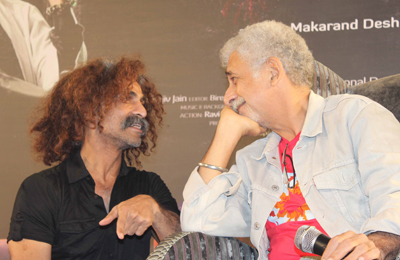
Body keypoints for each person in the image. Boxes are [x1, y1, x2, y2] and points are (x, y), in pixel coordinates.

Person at [181, 20, 400, 260]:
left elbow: (394, 196)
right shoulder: (254, 158)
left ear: (272, 73)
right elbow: (197, 220)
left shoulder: (355, 117)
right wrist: (225, 136)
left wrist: (376, 244)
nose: (228, 96)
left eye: (234, 80)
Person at [7, 57, 181, 260]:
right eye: (128, 98)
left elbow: (189, 251)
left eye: (142, 101)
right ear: (90, 110)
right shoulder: (41, 189)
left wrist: (156, 212)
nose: (142, 111)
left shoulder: (149, 185)